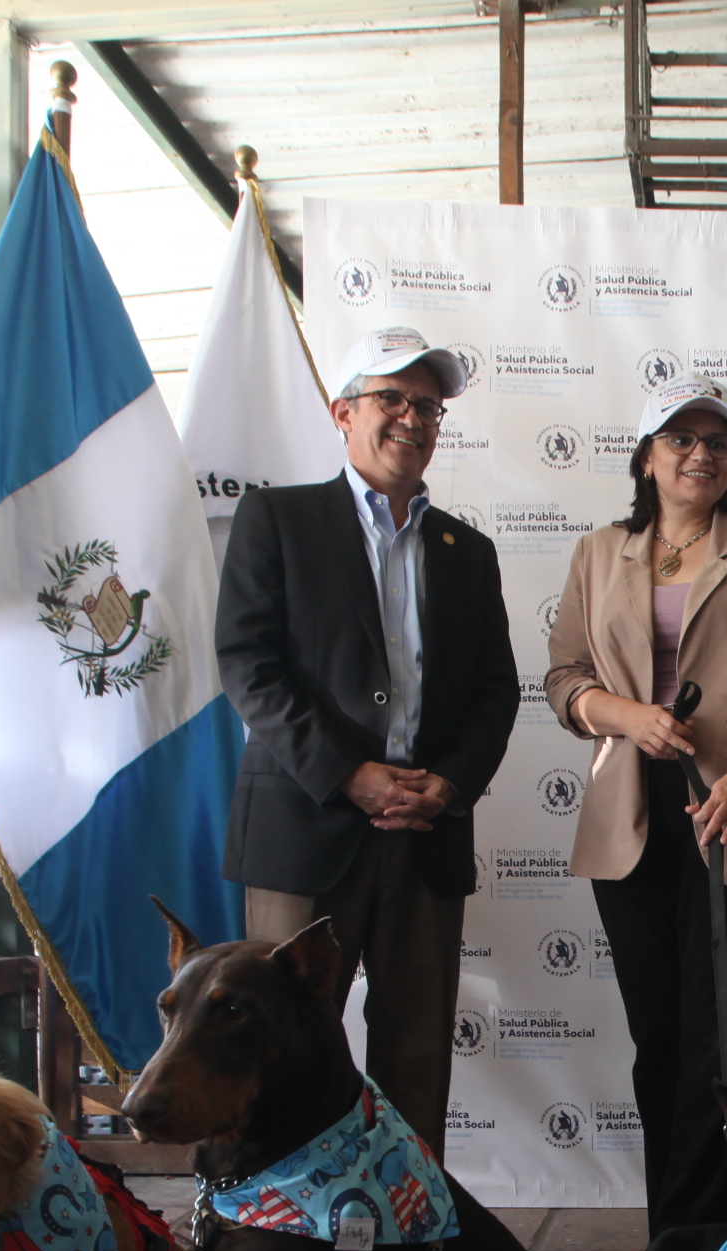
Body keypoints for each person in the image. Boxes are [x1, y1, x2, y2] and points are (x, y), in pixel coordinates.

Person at [214, 324, 518, 1156]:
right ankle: (274, 1238)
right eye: (392, 398)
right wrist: (349, 773)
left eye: (429, 406)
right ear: (342, 411)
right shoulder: (276, 518)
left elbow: (497, 693)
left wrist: (448, 785)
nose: (413, 418)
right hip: (305, 829)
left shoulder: (469, 551)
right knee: (274, 1046)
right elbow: (248, 664)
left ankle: (408, 1239)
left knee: (416, 1056)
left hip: (427, 835)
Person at [545, 376, 727, 1236]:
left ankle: (719, 1239)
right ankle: (673, 1236)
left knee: (721, 1044)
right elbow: (563, 680)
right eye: (681, 438)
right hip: (631, 814)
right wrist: (630, 719)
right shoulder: (598, 552)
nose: (701, 454)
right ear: (647, 455)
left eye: (718, 442)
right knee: (660, 1041)